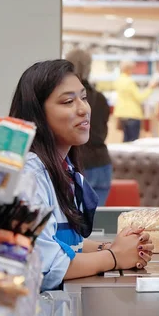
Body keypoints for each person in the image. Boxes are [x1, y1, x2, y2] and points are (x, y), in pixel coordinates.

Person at [10, 60, 153, 292]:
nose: (83, 109)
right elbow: (46, 267)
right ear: (37, 114)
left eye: (83, 98)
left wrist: (110, 247)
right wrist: (114, 256)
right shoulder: (29, 174)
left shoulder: (62, 167)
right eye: (68, 101)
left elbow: (59, 241)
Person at [65, 49, 112, 206]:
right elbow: (103, 131)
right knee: (96, 220)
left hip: (79, 162)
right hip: (103, 163)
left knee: (78, 222)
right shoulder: (100, 98)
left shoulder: (67, 99)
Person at [113, 61, 157, 142]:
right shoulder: (129, 82)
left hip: (122, 114)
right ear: (128, 69)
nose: (133, 71)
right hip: (132, 114)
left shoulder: (118, 80)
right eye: (132, 69)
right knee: (133, 141)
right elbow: (140, 97)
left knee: (126, 139)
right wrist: (151, 88)